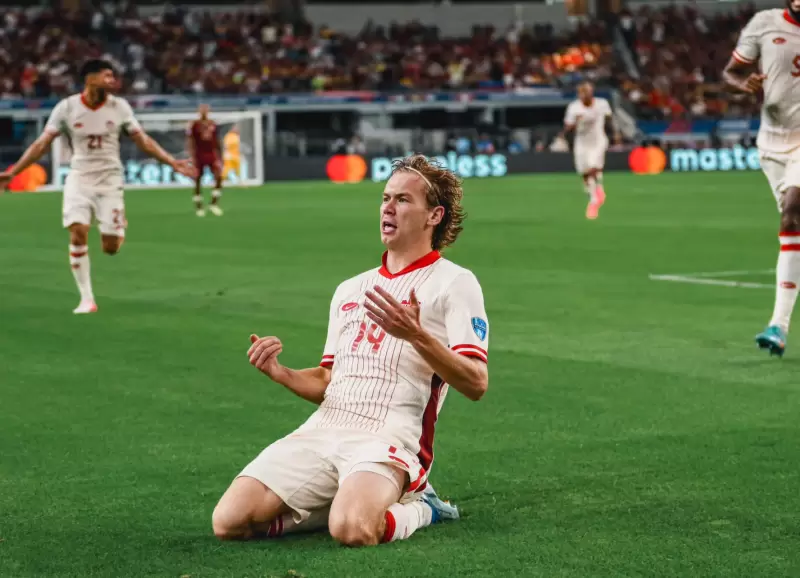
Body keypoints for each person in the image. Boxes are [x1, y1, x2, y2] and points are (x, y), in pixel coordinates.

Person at [212, 154, 490, 546]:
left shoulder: (454, 284)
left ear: (434, 215)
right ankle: (347, 500)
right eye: (385, 197)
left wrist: (416, 336)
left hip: (389, 437)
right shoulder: (350, 289)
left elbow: (477, 382)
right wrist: (280, 372)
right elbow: (327, 379)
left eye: (403, 200)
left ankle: (423, 505)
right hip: (325, 429)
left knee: (353, 530)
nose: (388, 207)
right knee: (229, 522)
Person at [0, 59, 195, 314]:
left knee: (110, 247)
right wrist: (13, 172)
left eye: (113, 76)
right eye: (107, 75)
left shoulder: (120, 107)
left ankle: (118, 225)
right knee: (78, 230)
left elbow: (143, 140)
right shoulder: (67, 107)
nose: (112, 80)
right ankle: (86, 299)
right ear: (90, 78)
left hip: (110, 180)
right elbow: (41, 145)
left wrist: (171, 161)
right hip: (79, 178)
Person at [723, 0, 800, 356]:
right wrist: (743, 84)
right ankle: (779, 328)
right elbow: (729, 73)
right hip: (770, 145)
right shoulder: (764, 23)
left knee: (791, 211)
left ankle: (777, 326)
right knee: (793, 229)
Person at [563, 81, 616, 220]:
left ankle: (593, 202)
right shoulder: (574, 108)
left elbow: (609, 118)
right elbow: (568, 126)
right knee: (584, 173)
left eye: (587, 92)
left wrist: (615, 133)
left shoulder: (602, 103)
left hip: (598, 141)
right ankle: (597, 188)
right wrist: (574, 123)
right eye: (582, 92)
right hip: (581, 143)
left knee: (593, 167)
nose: (584, 95)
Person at [186, 104, 223, 217]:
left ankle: (214, 203)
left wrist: (220, 156)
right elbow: (190, 140)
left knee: (218, 177)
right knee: (197, 179)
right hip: (199, 155)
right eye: (202, 110)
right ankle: (199, 206)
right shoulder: (195, 125)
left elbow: (217, 140)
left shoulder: (213, 124)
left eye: (206, 110)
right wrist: (191, 156)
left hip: (211, 154)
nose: (204, 112)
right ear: (199, 112)